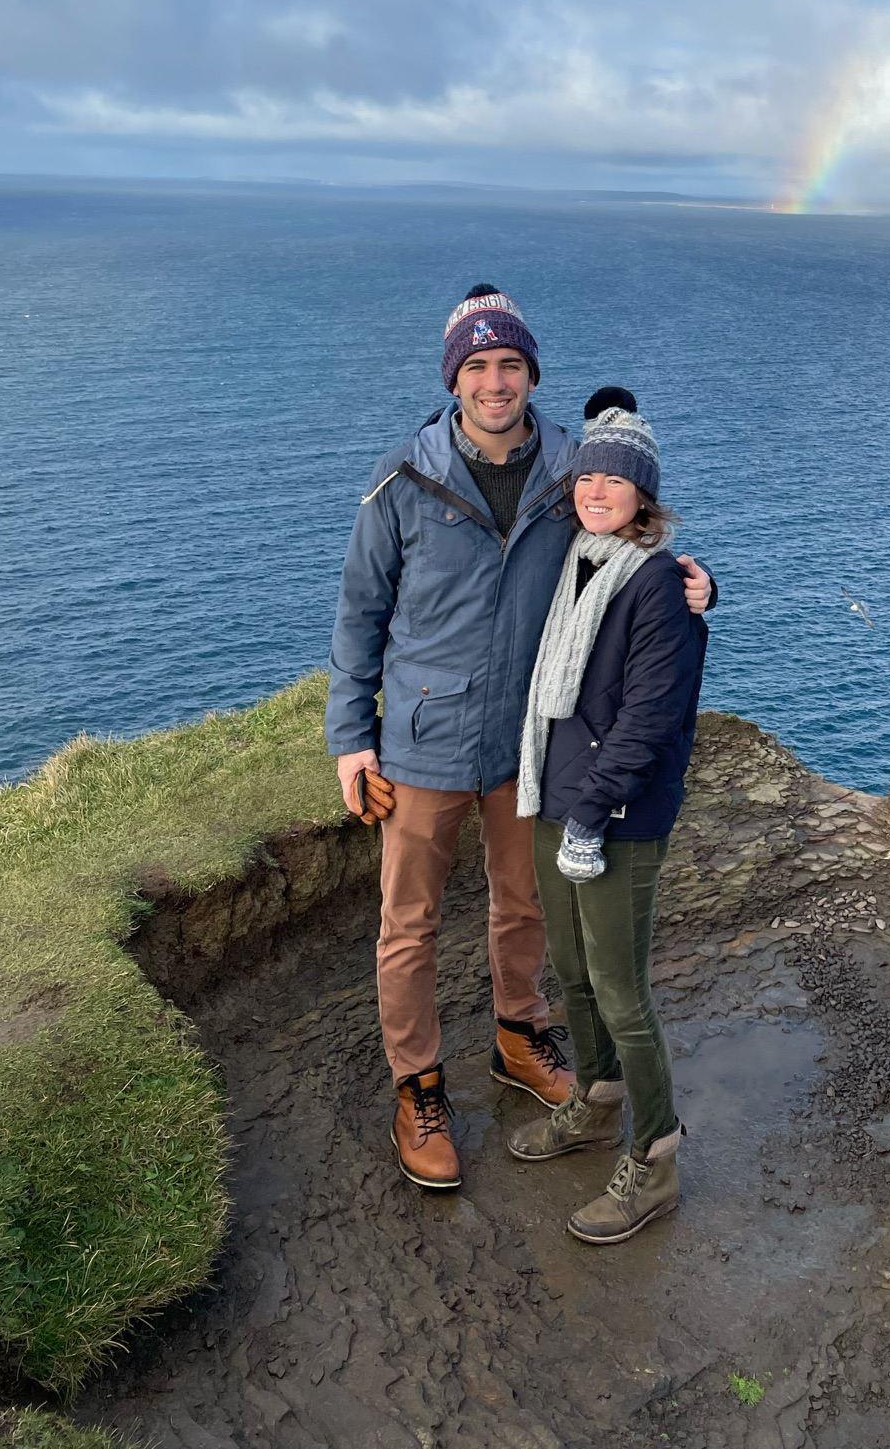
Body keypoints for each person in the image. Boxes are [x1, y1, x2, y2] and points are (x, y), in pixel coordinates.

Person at [326, 287, 716, 1193]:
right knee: (406, 925)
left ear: (532, 373)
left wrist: (696, 582)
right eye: (477, 367)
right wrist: (353, 738)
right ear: (453, 379)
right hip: (422, 738)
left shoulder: (569, 474)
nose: (495, 382)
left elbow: (630, 542)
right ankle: (417, 1085)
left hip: (530, 739)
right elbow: (357, 614)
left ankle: (516, 1033)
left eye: (510, 365)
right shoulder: (401, 481)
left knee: (525, 904)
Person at [506, 390, 706, 1245]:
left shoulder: (660, 583)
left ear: (643, 495)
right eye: (587, 473)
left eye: (615, 479)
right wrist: (564, 804)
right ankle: (595, 1102)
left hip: (615, 815)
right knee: (571, 970)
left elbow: (650, 716)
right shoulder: (576, 556)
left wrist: (590, 810)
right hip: (553, 795)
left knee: (622, 991)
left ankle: (655, 1158)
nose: (597, 488)